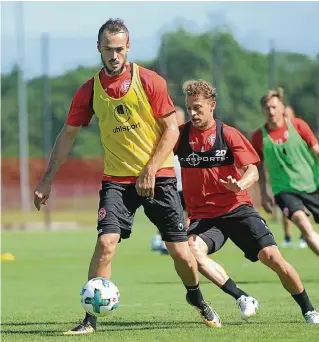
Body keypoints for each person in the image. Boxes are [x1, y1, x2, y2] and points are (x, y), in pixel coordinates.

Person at [33, 19, 221, 336]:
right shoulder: (89, 90)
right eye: (108, 49)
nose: (114, 55)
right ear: (99, 48)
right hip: (117, 182)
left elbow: (172, 128)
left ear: (128, 48)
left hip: (158, 177)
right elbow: (67, 136)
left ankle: (197, 298)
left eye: (120, 49)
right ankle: (90, 319)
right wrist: (46, 179)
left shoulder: (149, 81)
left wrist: (150, 168)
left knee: (179, 253)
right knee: (106, 244)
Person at [176, 79, 319, 324]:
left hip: (238, 209)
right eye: (189, 108)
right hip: (205, 216)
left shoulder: (228, 134)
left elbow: (253, 170)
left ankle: (309, 310)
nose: (192, 113)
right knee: (192, 250)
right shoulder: (180, 136)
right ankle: (242, 297)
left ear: (212, 105)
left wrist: (240, 184)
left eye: (198, 108)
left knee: (274, 259)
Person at [251, 88, 319, 282]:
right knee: (303, 224)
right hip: (284, 190)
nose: (271, 111)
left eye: (274, 107)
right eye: (267, 108)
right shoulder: (259, 137)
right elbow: (258, 167)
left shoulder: (298, 126)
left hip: (312, 186)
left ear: (282, 107)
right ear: (263, 111)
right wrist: (265, 195)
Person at [151, 106, 188, 255]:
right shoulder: (163, 139)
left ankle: (184, 242)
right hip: (170, 183)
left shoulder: (186, 138)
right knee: (167, 213)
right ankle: (163, 240)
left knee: (186, 214)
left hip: (185, 185)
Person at [280, 105, 307, 249]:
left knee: (301, 210)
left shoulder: (299, 131)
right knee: (286, 211)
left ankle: (304, 237)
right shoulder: (276, 133)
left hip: (301, 179)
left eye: (287, 114)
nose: (285, 117)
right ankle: (288, 238)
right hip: (284, 179)